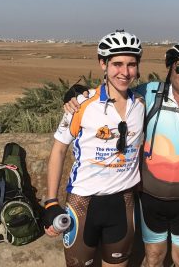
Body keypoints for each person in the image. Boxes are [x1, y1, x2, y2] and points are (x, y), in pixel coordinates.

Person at [65, 41, 179, 267]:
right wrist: (75, 95)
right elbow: (115, 89)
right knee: (154, 257)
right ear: (170, 68)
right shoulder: (149, 93)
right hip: (150, 198)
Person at [43, 30, 145, 267]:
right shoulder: (80, 104)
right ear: (103, 64)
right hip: (83, 203)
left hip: (125, 201)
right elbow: (58, 150)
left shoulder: (141, 103)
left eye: (131, 64)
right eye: (117, 64)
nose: (125, 72)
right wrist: (50, 202)